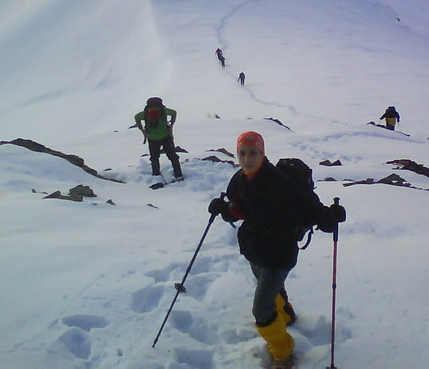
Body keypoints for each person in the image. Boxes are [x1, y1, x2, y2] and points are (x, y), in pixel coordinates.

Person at [208, 131, 346, 367]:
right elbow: (240, 208)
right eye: (242, 153)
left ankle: (283, 352)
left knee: (261, 309)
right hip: (254, 247)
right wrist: (224, 208)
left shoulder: (280, 183)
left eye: (253, 153)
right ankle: (286, 315)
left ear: (263, 153)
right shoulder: (239, 180)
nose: (247, 158)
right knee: (269, 286)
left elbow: (308, 208)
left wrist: (327, 217)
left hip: (279, 252)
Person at [135, 97, 183, 181]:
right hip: (166, 136)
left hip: (152, 138)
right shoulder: (163, 111)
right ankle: (178, 175)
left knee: (154, 157)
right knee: (173, 156)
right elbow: (174, 113)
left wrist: (142, 129)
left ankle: (156, 176)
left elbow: (136, 117)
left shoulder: (145, 113)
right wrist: (171, 125)